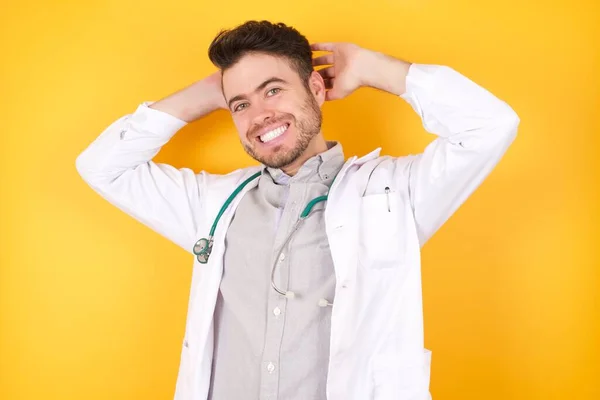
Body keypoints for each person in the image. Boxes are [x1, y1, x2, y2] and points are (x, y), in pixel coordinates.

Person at [76, 20, 519, 400]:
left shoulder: (393, 194)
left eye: (273, 90)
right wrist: (207, 95)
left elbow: (489, 125)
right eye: (242, 105)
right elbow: (101, 167)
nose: (260, 115)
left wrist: (371, 68)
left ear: (315, 87)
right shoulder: (211, 206)